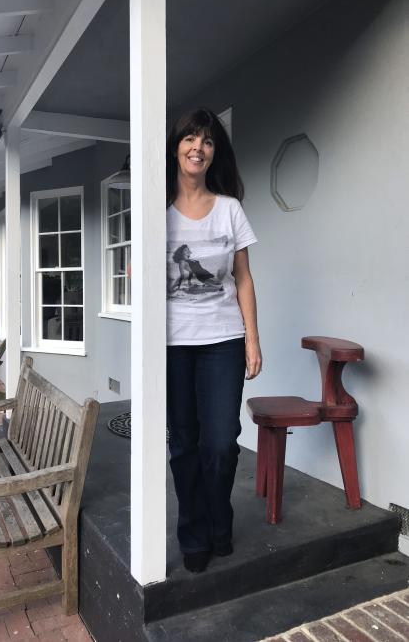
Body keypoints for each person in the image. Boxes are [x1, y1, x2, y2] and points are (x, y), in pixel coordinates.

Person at [166, 107, 262, 573]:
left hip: (223, 338)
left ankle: (218, 515)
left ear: (213, 151)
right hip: (171, 344)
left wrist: (252, 340)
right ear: (176, 146)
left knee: (221, 442)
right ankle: (195, 532)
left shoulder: (229, 209)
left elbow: (243, 279)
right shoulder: (156, 211)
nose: (197, 148)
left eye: (206, 141)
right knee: (184, 441)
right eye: (190, 138)